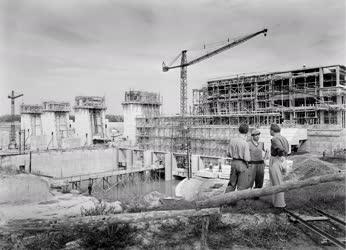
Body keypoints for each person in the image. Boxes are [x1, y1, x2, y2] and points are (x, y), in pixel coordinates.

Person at [226, 123, 252, 192]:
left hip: (233, 163)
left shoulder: (232, 140)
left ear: (239, 130)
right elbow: (247, 158)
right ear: (247, 132)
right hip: (242, 164)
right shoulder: (245, 143)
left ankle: (226, 200)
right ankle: (239, 202)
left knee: (231, 184)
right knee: (241, 187)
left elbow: (228, 154)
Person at [269, 124, 289, 208]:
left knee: (276, 183)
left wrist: (280, 156)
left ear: (272, 130)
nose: (270, 132)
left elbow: (280, 149)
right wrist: (283, 157)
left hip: (276, 160)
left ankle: (279, 204)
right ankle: (278, 203)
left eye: (270, 130)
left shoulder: (274, 139)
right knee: (280, 181)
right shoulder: (283, 138)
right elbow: (287, 150)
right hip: (283, 160)